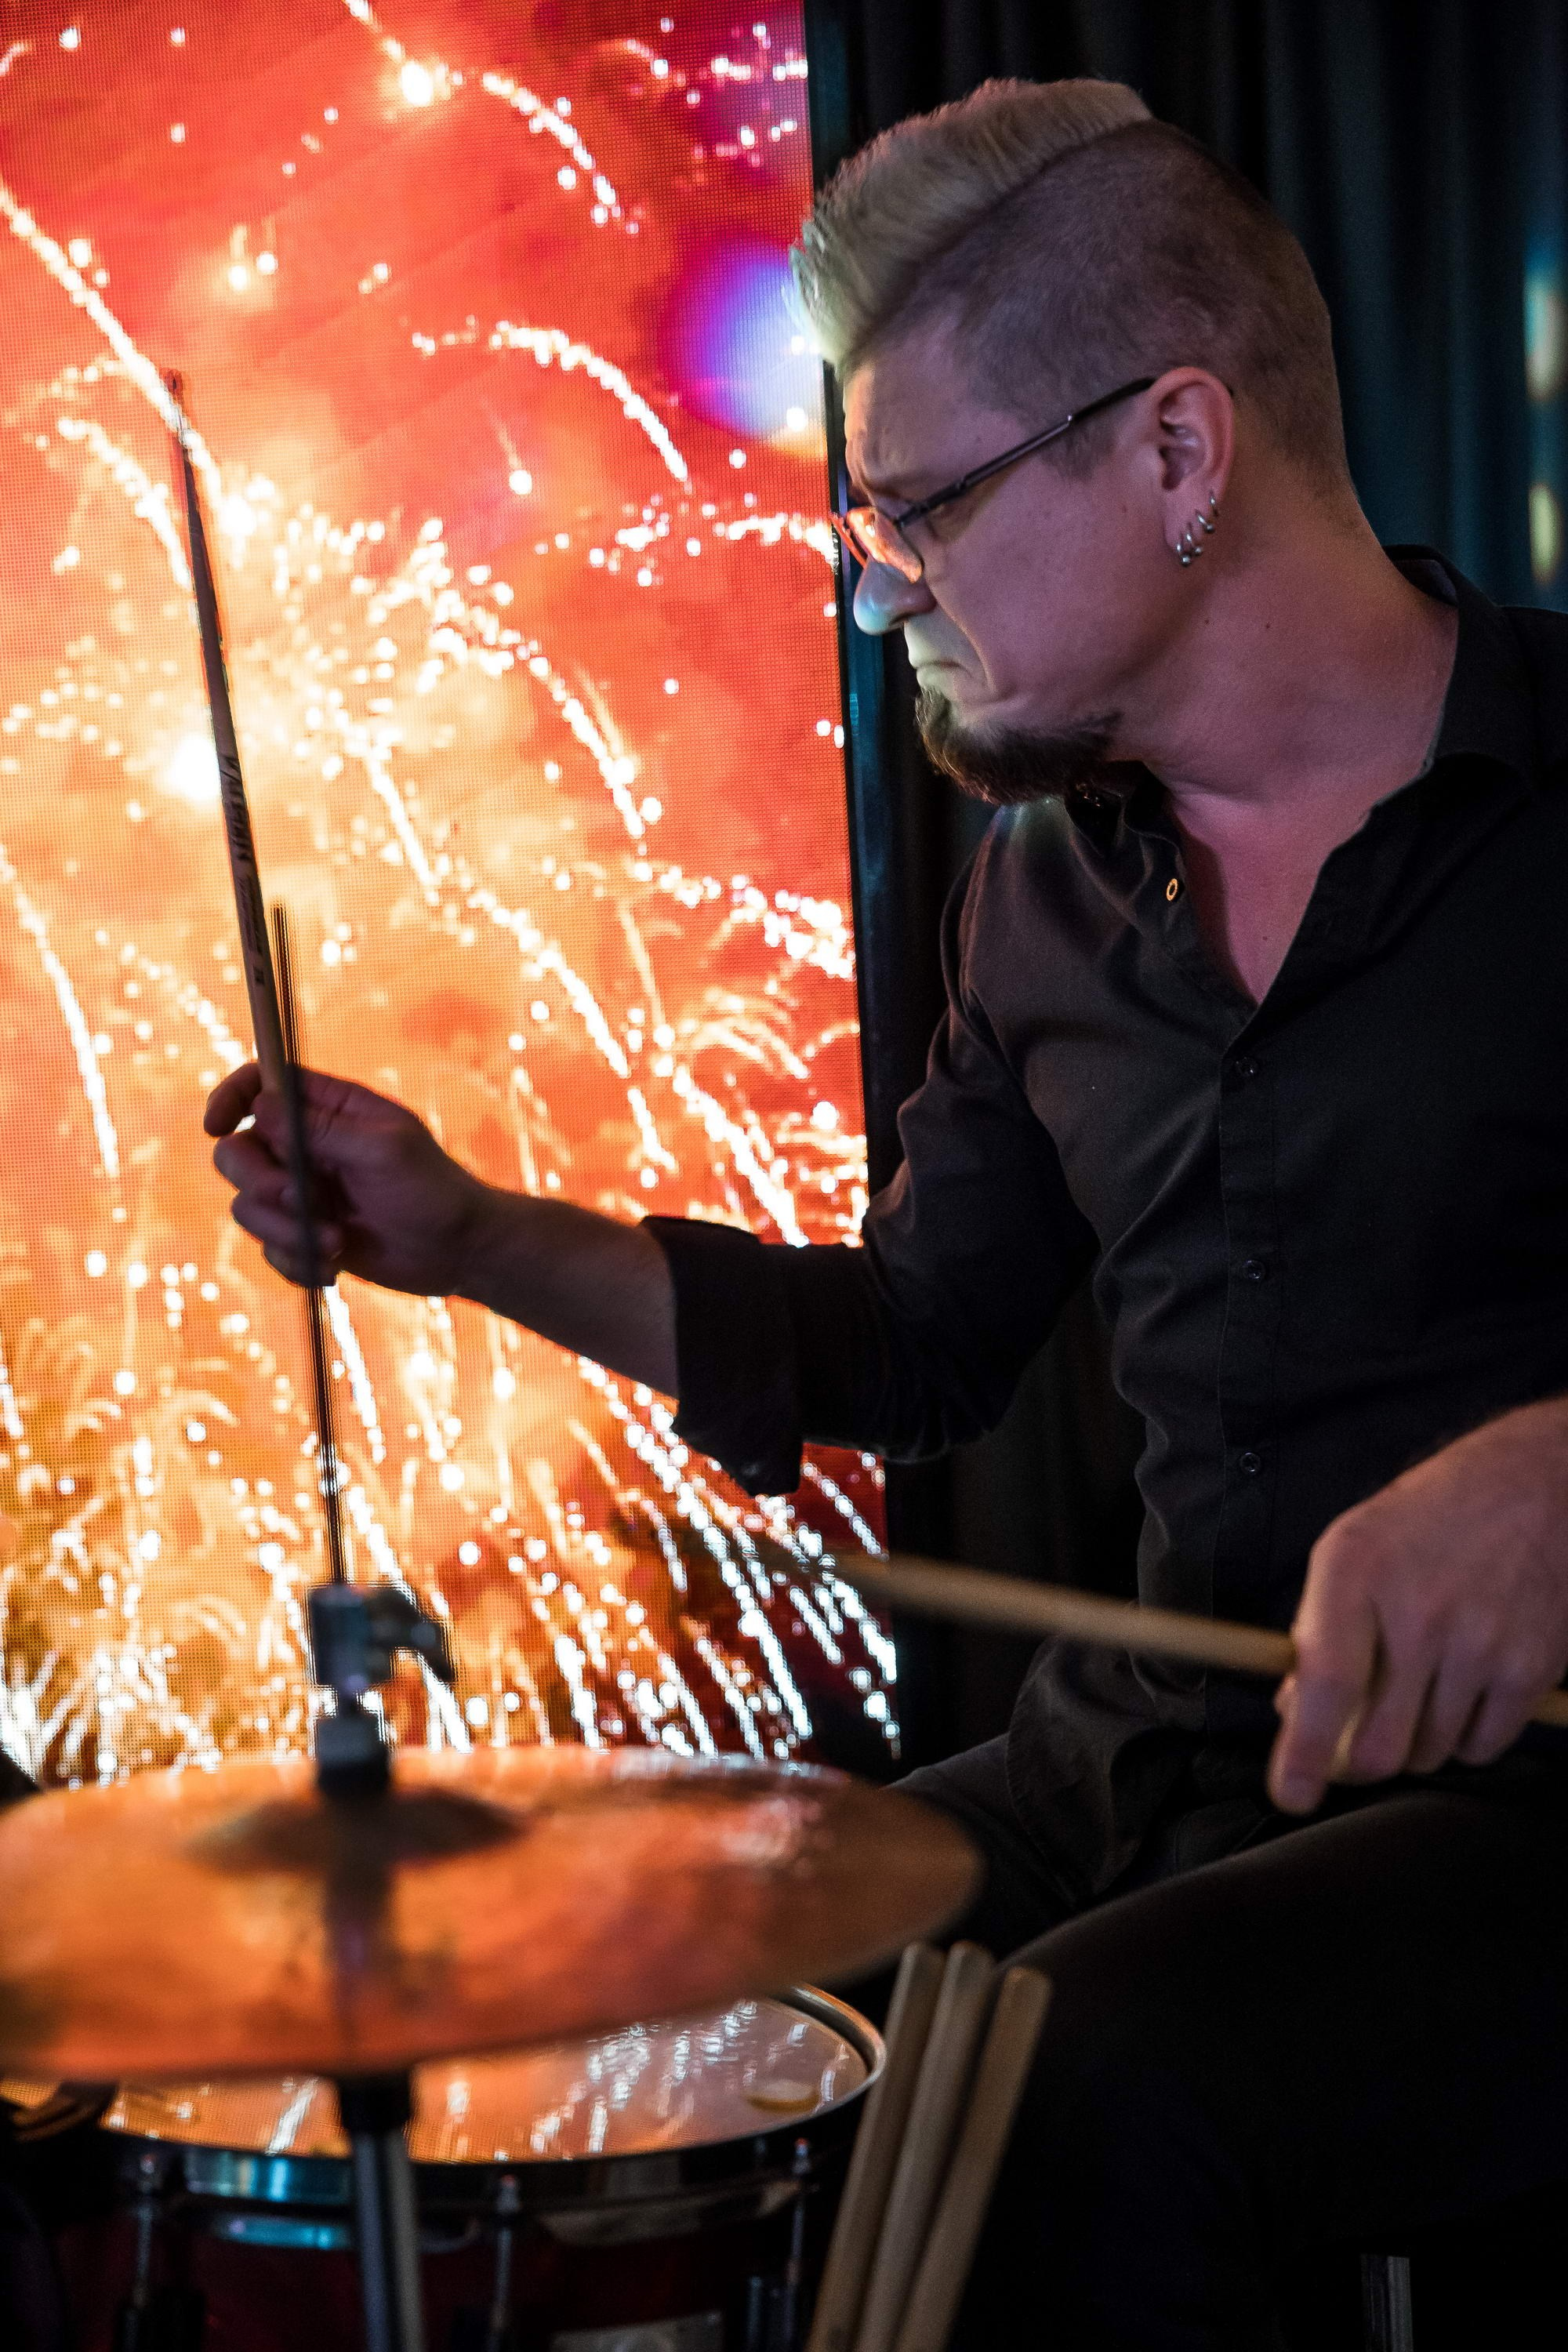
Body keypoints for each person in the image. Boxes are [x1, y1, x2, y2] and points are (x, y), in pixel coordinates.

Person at [208, 77, 1568, 2349]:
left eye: (914, 505)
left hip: (1526, 1816)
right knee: (698, 1967)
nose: (870, 579)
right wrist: (461, 1233)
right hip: (1153, 1759)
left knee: (1086, 2082)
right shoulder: (1042, 898)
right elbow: (914, 1343)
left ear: (1175, 452)